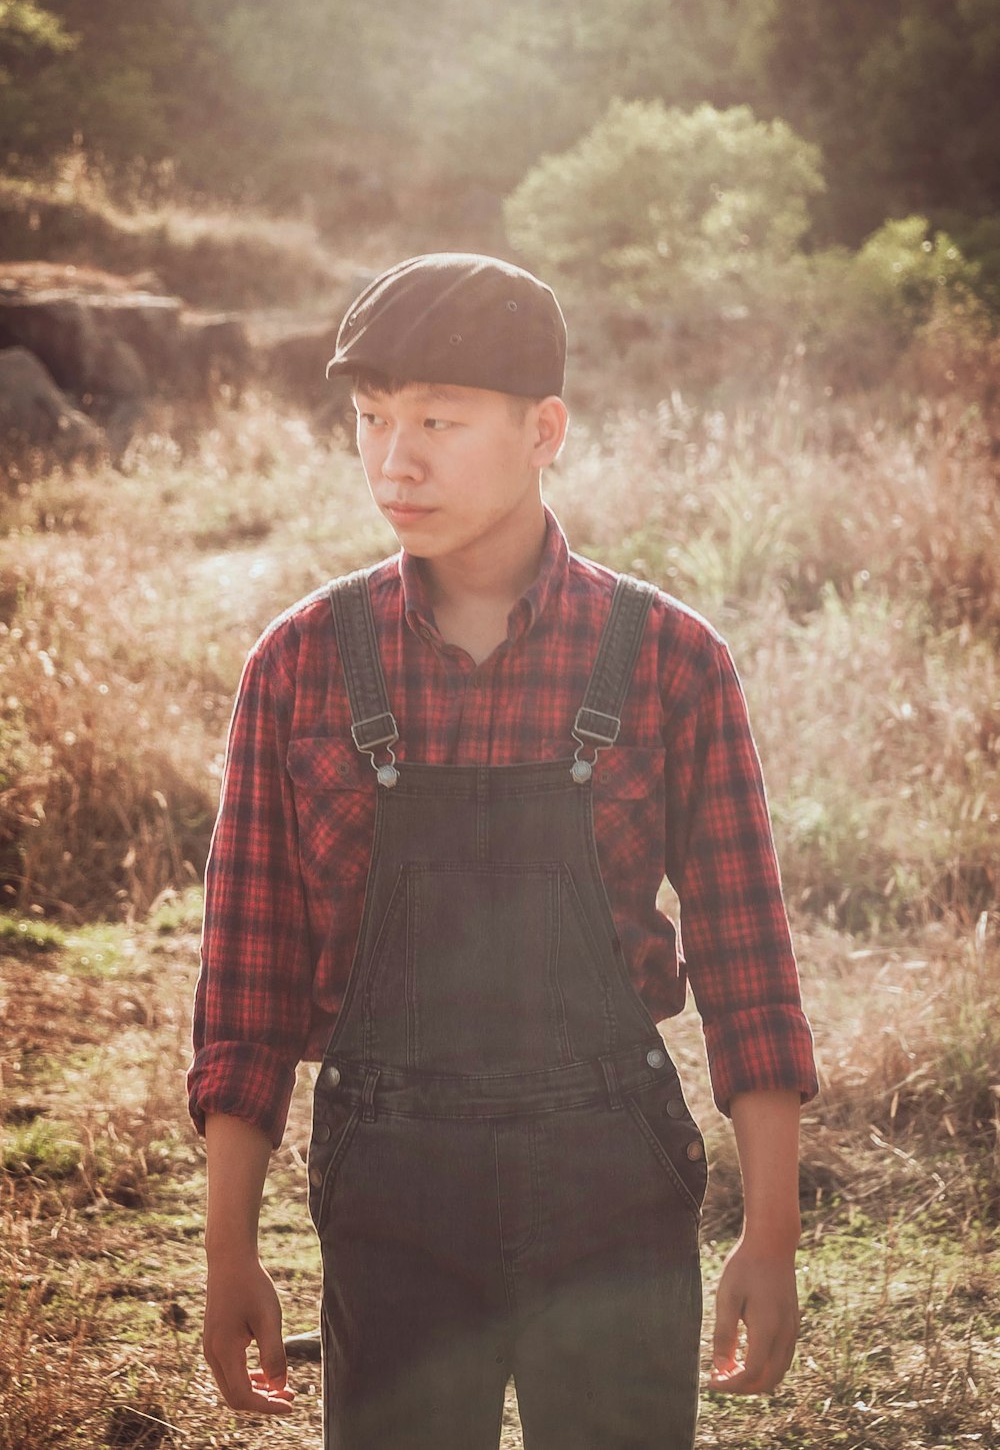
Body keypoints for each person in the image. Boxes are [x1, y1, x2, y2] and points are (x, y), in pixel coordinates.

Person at [188, 252, 818, 1450]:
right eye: (370, 420)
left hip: (612, 1187)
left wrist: (770, 1232)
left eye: (437, 418)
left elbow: (748, 963)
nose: (394, 460)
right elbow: (246, 986)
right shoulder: (300, 663)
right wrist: (230, 1252)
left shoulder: (672, 660)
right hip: (389, 1196)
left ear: (544, 429)